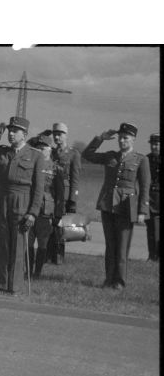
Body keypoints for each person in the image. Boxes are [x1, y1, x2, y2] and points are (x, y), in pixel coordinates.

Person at [0, 117, 45, 295]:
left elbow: (39, 188)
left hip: (22, 200)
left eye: (15, 131)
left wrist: (33, 213)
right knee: (3, 243)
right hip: (2, 199)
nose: (11, 134)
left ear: (25, 134)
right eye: (9, 130)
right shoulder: (1, 151)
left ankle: (15, 287)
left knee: (18, 245)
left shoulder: (36, 155)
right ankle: (2, 284)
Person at [82, 123, 150, 289]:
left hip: (127, 207)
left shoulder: (140, 159)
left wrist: (142, 211)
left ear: (133, 139)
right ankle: (109, 279)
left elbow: (145, 186)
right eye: (120, 137)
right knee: (110, 245)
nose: (121, 140)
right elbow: (87, 155)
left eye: (125, 138)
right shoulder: (110, 156)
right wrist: (101, 138)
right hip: (107, 205)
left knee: (122, 246)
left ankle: (119, 281)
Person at [26, 133, 64, 278]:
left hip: (46, 212)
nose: (41, 151)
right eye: (38, 148)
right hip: (30, 208)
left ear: (50, 150)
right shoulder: (30, 165)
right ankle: (28, 270)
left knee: (42, 243)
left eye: (44, 148)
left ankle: (37, 272)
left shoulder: (56, 169)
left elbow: (60, 194)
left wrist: (58, 215)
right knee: (28, 242)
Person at [47, 122, 82, 264]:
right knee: (49, 224)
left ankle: (59, 256)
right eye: (55, 134)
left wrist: (72, 200)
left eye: (59, 134)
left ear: (66, 135)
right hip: (50, 192)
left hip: (65, 194)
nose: (57, 137)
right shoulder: (50, 152)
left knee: (61, 226)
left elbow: (75, 178)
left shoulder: (73, 154)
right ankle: (48, 254)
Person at [146, 133, 160, 261]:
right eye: (152, 144)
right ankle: (152, 256)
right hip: (150, 200)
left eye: (156, 144)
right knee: (151, 230)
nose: (154, 147)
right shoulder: (147, 159)